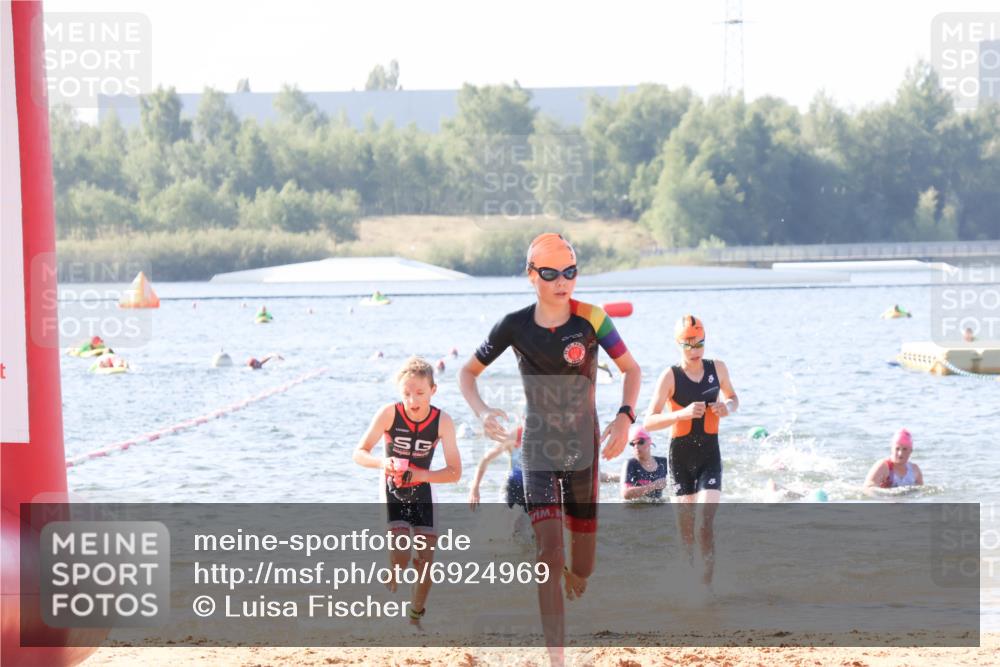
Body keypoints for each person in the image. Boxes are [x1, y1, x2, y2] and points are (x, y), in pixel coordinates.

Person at [458, 232, 641, 666]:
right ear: (531, 275)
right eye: (551, 273)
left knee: (582, 568)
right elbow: (467, 373)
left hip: (584, 450)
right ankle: (557, 659)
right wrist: (482, 410)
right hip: (538, 448)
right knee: (548, 555)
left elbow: (631, 370)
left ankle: (576, 572)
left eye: (571, 272)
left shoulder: (593, 319)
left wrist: (623, 417)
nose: (563, 281)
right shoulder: (514, 325)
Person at [353, 356, 461, 628]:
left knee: (425, 563)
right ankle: (394, 567)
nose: (413, 400)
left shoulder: (443, 422)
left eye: (420, 393)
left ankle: (414, 618)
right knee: (401, 555)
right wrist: (382, 462)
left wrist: (422, 475)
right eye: (407, 393)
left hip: (423, 491)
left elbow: (454, 472)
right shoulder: (389, 413)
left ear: (433, 390)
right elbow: (359, 453)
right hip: (393, 489)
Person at [644, 315, 738, 588]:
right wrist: (681, 414)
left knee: (703, 525)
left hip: (710, 455)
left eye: (699, 344)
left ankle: (705, 591)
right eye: (688, 345)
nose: (695, 351)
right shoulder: (670, 376)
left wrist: (727, 408)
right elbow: (649, 420)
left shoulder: (717, 368)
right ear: (678, 345)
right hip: (681, 458)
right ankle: (687, 585)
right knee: (686, 536)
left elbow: (733, 398)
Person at [468, 421, 531, 540]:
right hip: (512, 488)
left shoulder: (547, 436)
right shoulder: (517, 434)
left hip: (532, 490)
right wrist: (475, 488)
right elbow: (485, 459)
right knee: (511, 528)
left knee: (529, 532)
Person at [620, 425, 668, 501]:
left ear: (649, 442)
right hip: (636, 509)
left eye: (640, 442)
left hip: (658, 506)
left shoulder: (663, 462)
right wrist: (653, 485)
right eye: (632, 444)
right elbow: (625, 494)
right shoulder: (631, 464)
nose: (636, 446)